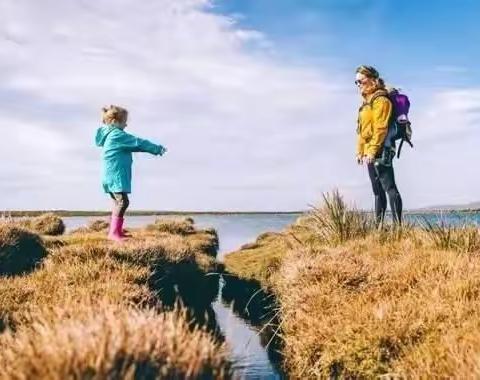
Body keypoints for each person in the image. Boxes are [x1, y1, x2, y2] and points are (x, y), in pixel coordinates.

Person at [95, 105, 167, 241]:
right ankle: (114, 233)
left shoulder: (110, 135)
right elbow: (137, 143)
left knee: (118, 203)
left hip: (110, 176)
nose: (126, 124)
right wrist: (156, 149)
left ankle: (116, 231)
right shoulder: (117, 135)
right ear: (114, 122)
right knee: (123, 202)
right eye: (124, 122)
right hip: (116, 176)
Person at [355, 65, 403, 225]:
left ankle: (398, 229)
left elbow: (380, 128)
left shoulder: (381, 100)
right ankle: (378, 229)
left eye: (361, 80)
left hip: (382, 148)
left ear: (372, 79)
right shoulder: (365, 104)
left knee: (389, 188)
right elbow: (362, 131)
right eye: (356, 82)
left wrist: (372, 151)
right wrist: (360, 151)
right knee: (377, 191)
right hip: (370, 151)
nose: (359, 85)